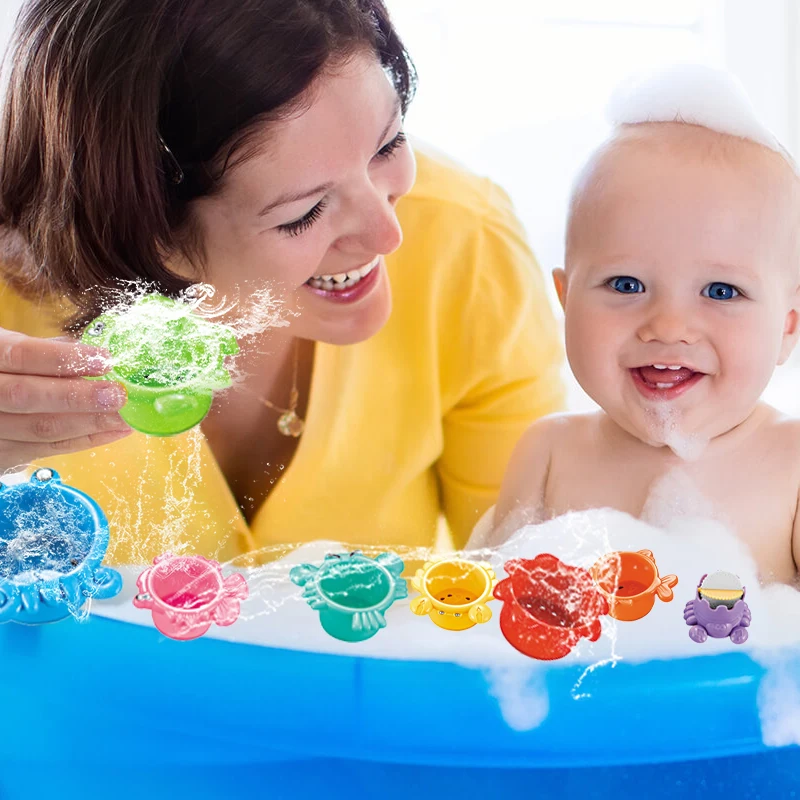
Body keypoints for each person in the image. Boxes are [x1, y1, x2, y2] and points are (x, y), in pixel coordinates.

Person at [0, 0, 565, 566]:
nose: (388, 233)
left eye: (389, 145)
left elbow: (526, 577)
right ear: (140, 232)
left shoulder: (466, 244)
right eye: (305, 213)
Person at [478, 68, 800, 585]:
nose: (669, 326)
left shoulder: (791, 464)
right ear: (565, 299)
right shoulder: (549, 454)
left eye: (721, 292)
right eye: (626, 285)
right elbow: (491, 623)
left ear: (787, 328)